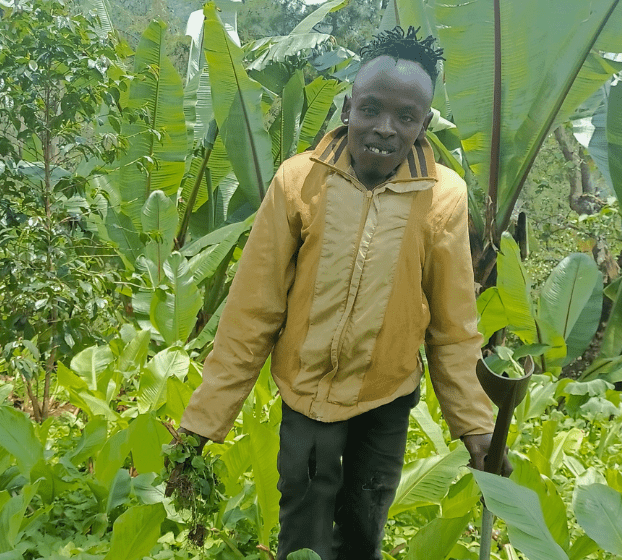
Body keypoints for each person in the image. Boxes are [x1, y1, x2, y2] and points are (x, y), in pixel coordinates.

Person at [170, 26, 508, 560]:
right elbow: (251, 312)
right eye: (371, 109)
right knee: (301, 535)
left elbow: (453, 327)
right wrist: (202, 423)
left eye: (405, 117)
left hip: (386, 401)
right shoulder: (296, 181)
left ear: (424, 124)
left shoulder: (443, 197)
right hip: (306, 397)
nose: (384, 129)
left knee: (361, 533)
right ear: (348, 107)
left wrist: (476, 428)